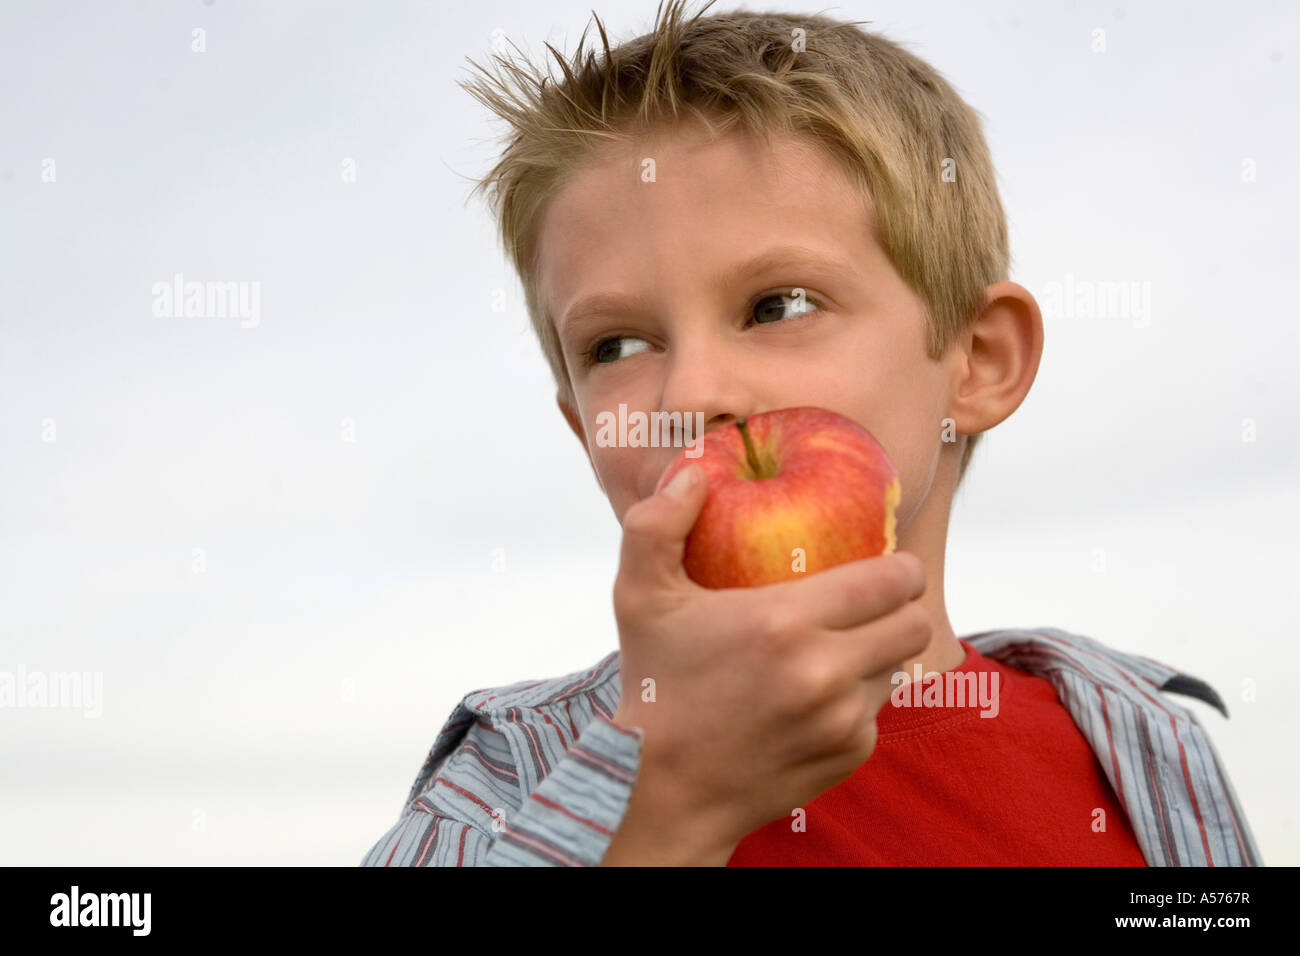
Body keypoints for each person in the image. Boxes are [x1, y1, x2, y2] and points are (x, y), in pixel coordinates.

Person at [361, 0, 1261, 866]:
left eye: (777, 305)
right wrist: (666, 815)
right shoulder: (505, 785)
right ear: (583, 429)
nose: (695, 391)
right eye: (617, 344)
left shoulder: (1142, 746)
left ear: (978, 360)